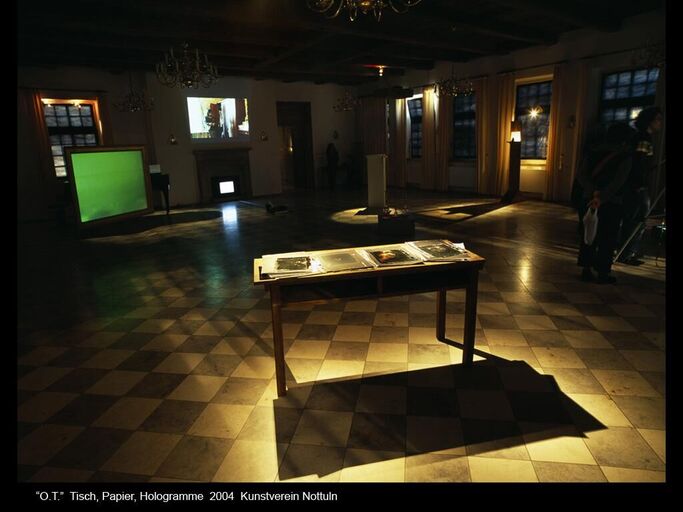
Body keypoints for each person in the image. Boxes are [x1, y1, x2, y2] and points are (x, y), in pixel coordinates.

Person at [575, 122, 635, 284]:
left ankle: (586, 269)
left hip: (589, 200)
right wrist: (602, 197)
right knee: (608, 238)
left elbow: (581, 175)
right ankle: (602, 272)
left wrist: (593, 191)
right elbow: (618, 182)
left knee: (588, 236)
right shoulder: (624, 156)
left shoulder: (593, 152)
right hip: (611, 202)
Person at [617, 106, 663, 265]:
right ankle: (627, 254)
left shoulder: (639, 137)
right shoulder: (644, 138)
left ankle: (624, 252)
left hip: (634, 185)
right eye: (658, 119)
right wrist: (639, 184)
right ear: (649, 121)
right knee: (637, 221)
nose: (660, 123)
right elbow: (638, 163)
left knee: (631, 219)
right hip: (637, 186)